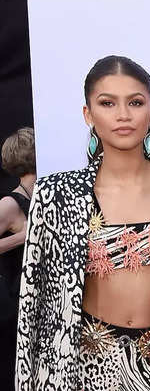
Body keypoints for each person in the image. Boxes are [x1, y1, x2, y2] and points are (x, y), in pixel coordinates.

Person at [15, 55, 150, 391]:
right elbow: (37, 303)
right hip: (86, 366)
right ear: (88, 114)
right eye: (107, 103)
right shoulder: (57, 193)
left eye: (135, 102)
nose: (123, 115)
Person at [0, 127, 35, 390]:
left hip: (38, 296)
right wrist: (24, 237)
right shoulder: (10, 204)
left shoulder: (41, 196)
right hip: (17, 300)